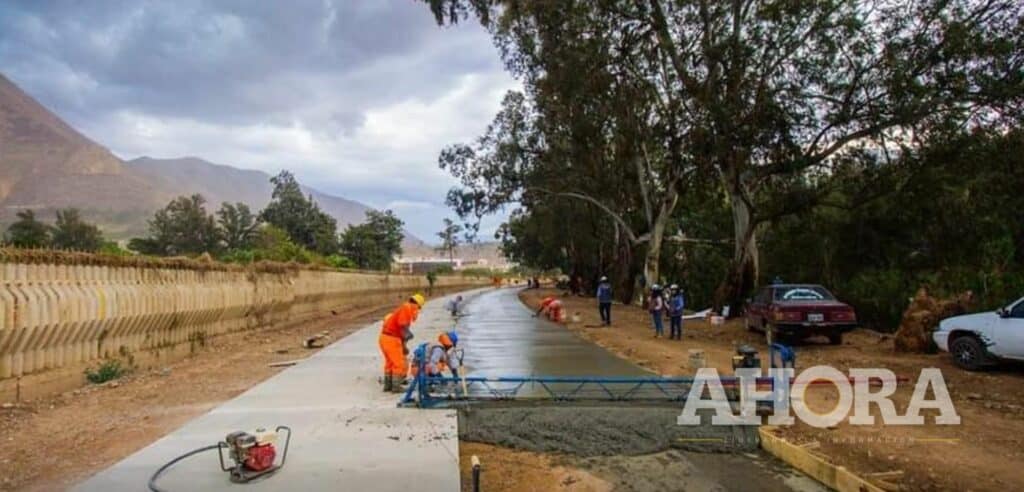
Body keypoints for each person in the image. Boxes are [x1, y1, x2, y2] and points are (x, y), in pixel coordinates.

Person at [379, 293, 426, 393]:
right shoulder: (407, 308)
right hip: (391, 339)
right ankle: (396, 387)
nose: (418, 311)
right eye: (419, 308)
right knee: (399, 363)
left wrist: (404, 345)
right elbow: (402, 326)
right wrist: (409, 335)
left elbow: (401, 328)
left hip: (384, 338)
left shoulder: (404, 309)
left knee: (390, 363)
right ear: (417, 305)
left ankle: (388, 386)